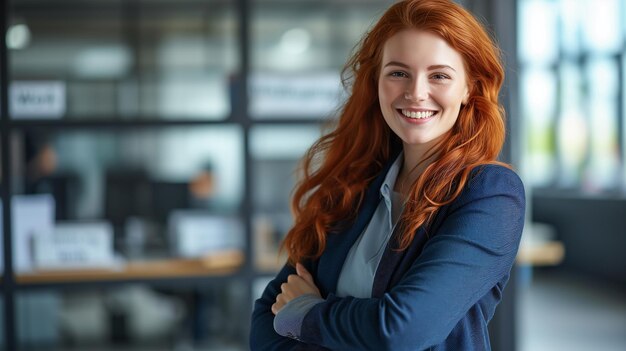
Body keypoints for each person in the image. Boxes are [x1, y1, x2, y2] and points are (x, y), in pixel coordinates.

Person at [250, 0, 525, 350]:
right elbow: (264, 323)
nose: (416, 93)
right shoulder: (350, 186)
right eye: (398, 73)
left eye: (439, 75)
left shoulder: (489, 193)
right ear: (376, 81)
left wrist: (304, 312)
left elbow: (401, 330)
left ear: (469, 86)